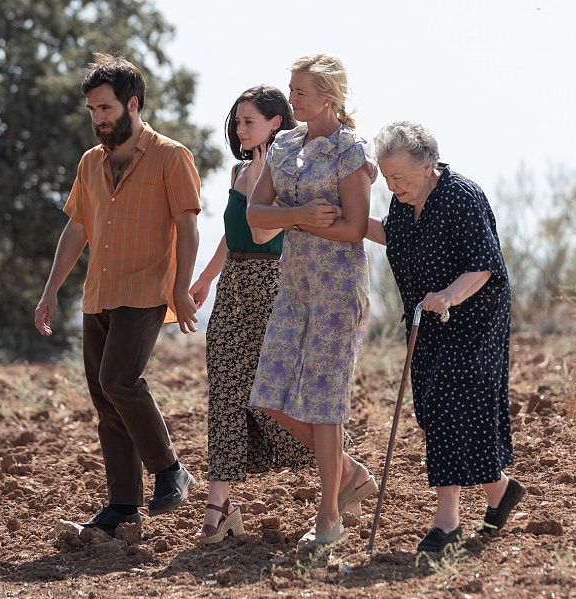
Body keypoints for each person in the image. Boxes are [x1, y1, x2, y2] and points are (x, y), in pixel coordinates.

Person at [34, 54, 201, 535]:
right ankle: (123, 507)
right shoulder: (90, 163)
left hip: (146, 290)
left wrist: (180, 286)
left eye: (105, 108)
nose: (98, 119)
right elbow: (77, 229)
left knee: (119, 380)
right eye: (92, 110)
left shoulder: (173, 157)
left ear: (133, 103)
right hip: (98, 294)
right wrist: (51, 292)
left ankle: (170, 469)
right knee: (106, 401)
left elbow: (188, 228)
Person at [365, 121, 525, 552]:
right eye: (386, 176)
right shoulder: (403, 202)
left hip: (473, 316)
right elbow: (393, 235)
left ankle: (447, 522)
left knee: (454, 403)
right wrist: (347, 219)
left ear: (428, 166)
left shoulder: (461, 196)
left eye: (398, 176)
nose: (391, 184)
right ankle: (499, 491)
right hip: (426, 317)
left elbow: (484, 264)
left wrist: (450, 296)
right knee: (437, 406)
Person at [246, 54, 378, 550]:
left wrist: (290, 217)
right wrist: (299, 216)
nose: (292, 98)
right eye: (291, 89)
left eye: (300, 91)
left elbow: (354, 228)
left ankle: (328, 517)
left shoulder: (350, 151)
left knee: (325, 408)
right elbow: (257, 212)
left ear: (330, 97)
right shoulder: (283, 145)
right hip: (294, 288)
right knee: (268, 394)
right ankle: (348, 472)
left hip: (338, 291)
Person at [188, 86, 317, 544]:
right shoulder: (240, 169)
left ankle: (342, 471)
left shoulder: (281, 172)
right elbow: (233, 234)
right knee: (223, 392)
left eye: (249, 122)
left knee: (271, 398)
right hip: (232, 290)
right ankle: (218, 507)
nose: (240, 130)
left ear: (275, 123)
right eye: (238, 122)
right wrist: (205, 278)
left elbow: (263, 238)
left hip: (269, 289)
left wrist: (265, 177)